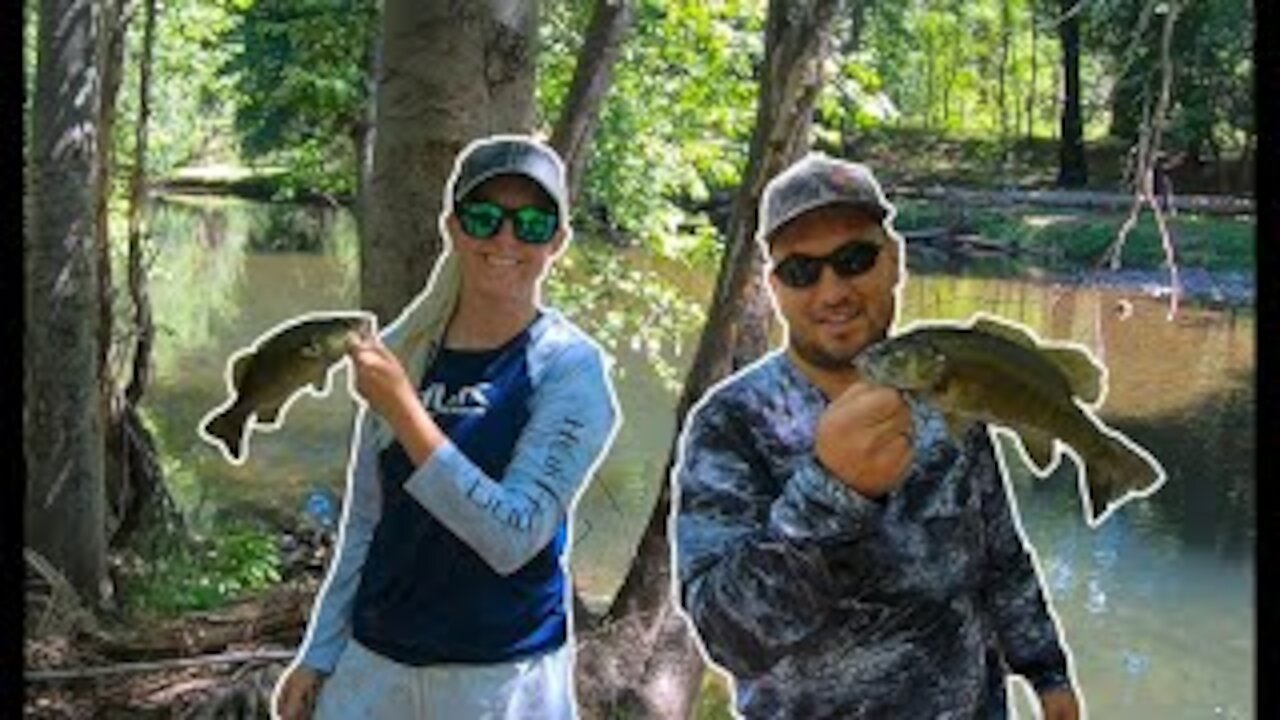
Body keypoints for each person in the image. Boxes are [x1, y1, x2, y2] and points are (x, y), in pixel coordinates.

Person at [672, 154, 1082, 719]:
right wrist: (832, 492)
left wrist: (1047, 672)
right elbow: (728, 638)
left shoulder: (950, 389)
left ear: (894, 263)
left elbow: (1001, 554)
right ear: (774, 287)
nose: (832, 291)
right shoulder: (731, 423)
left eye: (855, 258)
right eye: (801, 271)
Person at [273, 135, 621, 719]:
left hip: (502, 682)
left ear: (557, 242)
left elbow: (513, 537)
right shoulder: (407, 353)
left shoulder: (569, 369)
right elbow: (365, 522)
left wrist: (406, 412)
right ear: (455, 228)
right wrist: (321, 652)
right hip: (374, 670)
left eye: (531, 224)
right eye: (484, 218)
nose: (505, 239)